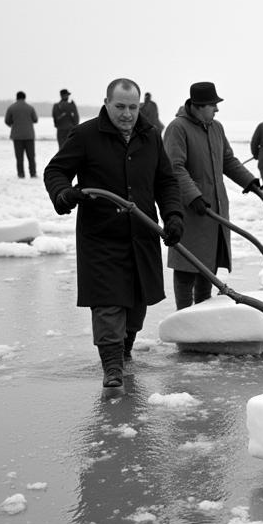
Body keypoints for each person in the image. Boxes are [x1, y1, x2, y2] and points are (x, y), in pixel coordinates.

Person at [43, 77, 183, 390]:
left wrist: (173, 215)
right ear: (107, 103)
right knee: (108, 304)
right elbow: (55, 171)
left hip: (142, 233)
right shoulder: (85, 135)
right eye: (120, 106)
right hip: (101, 236)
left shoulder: (150, 136)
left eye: (133, 107)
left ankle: (125, 350)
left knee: (135, 306)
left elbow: (166, 181)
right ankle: (112, 366)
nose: (126, 114)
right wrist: (64, 194)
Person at [163, 81, 263, 309]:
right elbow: (174, 167)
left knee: (207, 268)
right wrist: (194, 196)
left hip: (214, 210)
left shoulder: (216, 128)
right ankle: (185, 317)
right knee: (187, 266)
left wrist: (250, 181)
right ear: (198, 106)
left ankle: (203, 314)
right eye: (212, 105)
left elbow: (227, 160)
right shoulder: (177, 128)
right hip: (191, 210)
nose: (216, 109)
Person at [4, 90, 39, 178]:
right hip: (29, 135)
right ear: (24, 97)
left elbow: (7, 121)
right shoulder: (30, 108)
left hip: (17, 136)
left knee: (19, 157)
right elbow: (35, 119)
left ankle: (21, 174)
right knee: (31, 156)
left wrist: (13, 125)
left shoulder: (11, 108)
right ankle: (33, 173)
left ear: (16, 97)